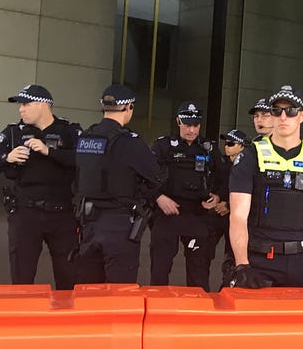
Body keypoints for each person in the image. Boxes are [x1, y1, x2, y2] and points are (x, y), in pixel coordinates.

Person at [228, 85, 303, 291]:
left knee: (299, 323)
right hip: (258, 261)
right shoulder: (250, 156)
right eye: (276, 110)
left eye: (290, 111)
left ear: (302, 116)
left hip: (301, 262)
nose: (283, 117)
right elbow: (238, 216)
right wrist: (241, 264)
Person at [0, 84, 81, 289]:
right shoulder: (13, 132)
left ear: (44, 105)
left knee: (69, 275)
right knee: (22, 276)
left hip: (62, 215)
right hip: (25, 214)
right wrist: (6, 158)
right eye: (20, 105)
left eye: (26, 104)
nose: (21, 109)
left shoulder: (69, 131)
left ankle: (66, 319)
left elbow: (85, 161)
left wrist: (50, 152)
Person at [74, 84, 161, 284]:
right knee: (120, 290)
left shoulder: (86, 137)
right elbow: (156, 175)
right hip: (119, 224)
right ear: (128, 107)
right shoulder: (130, 141)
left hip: (88, 222)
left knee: (89, 289)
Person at [150, 102, 222, 291]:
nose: (191, 130)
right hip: (168, 211)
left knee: (199, 272)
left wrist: (218, 196)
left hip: (198, 213)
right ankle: (157, 312)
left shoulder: (209, 148)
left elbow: (224, 176)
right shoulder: (163, 146)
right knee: (160, 269)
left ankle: (198, 314)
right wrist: (159, 197)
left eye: (195, 125)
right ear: (178, 122)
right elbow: (145, 177)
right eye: (187, 124)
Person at [210, 128, 249, 289]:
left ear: (241, 146)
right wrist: (217, 198)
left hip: (237, 218)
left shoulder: (247, 167)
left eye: (231, 143)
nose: (226, 146)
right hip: (218, 215)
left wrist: (228, 205)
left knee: (233, 255)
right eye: (225, 143)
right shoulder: (222, 164)